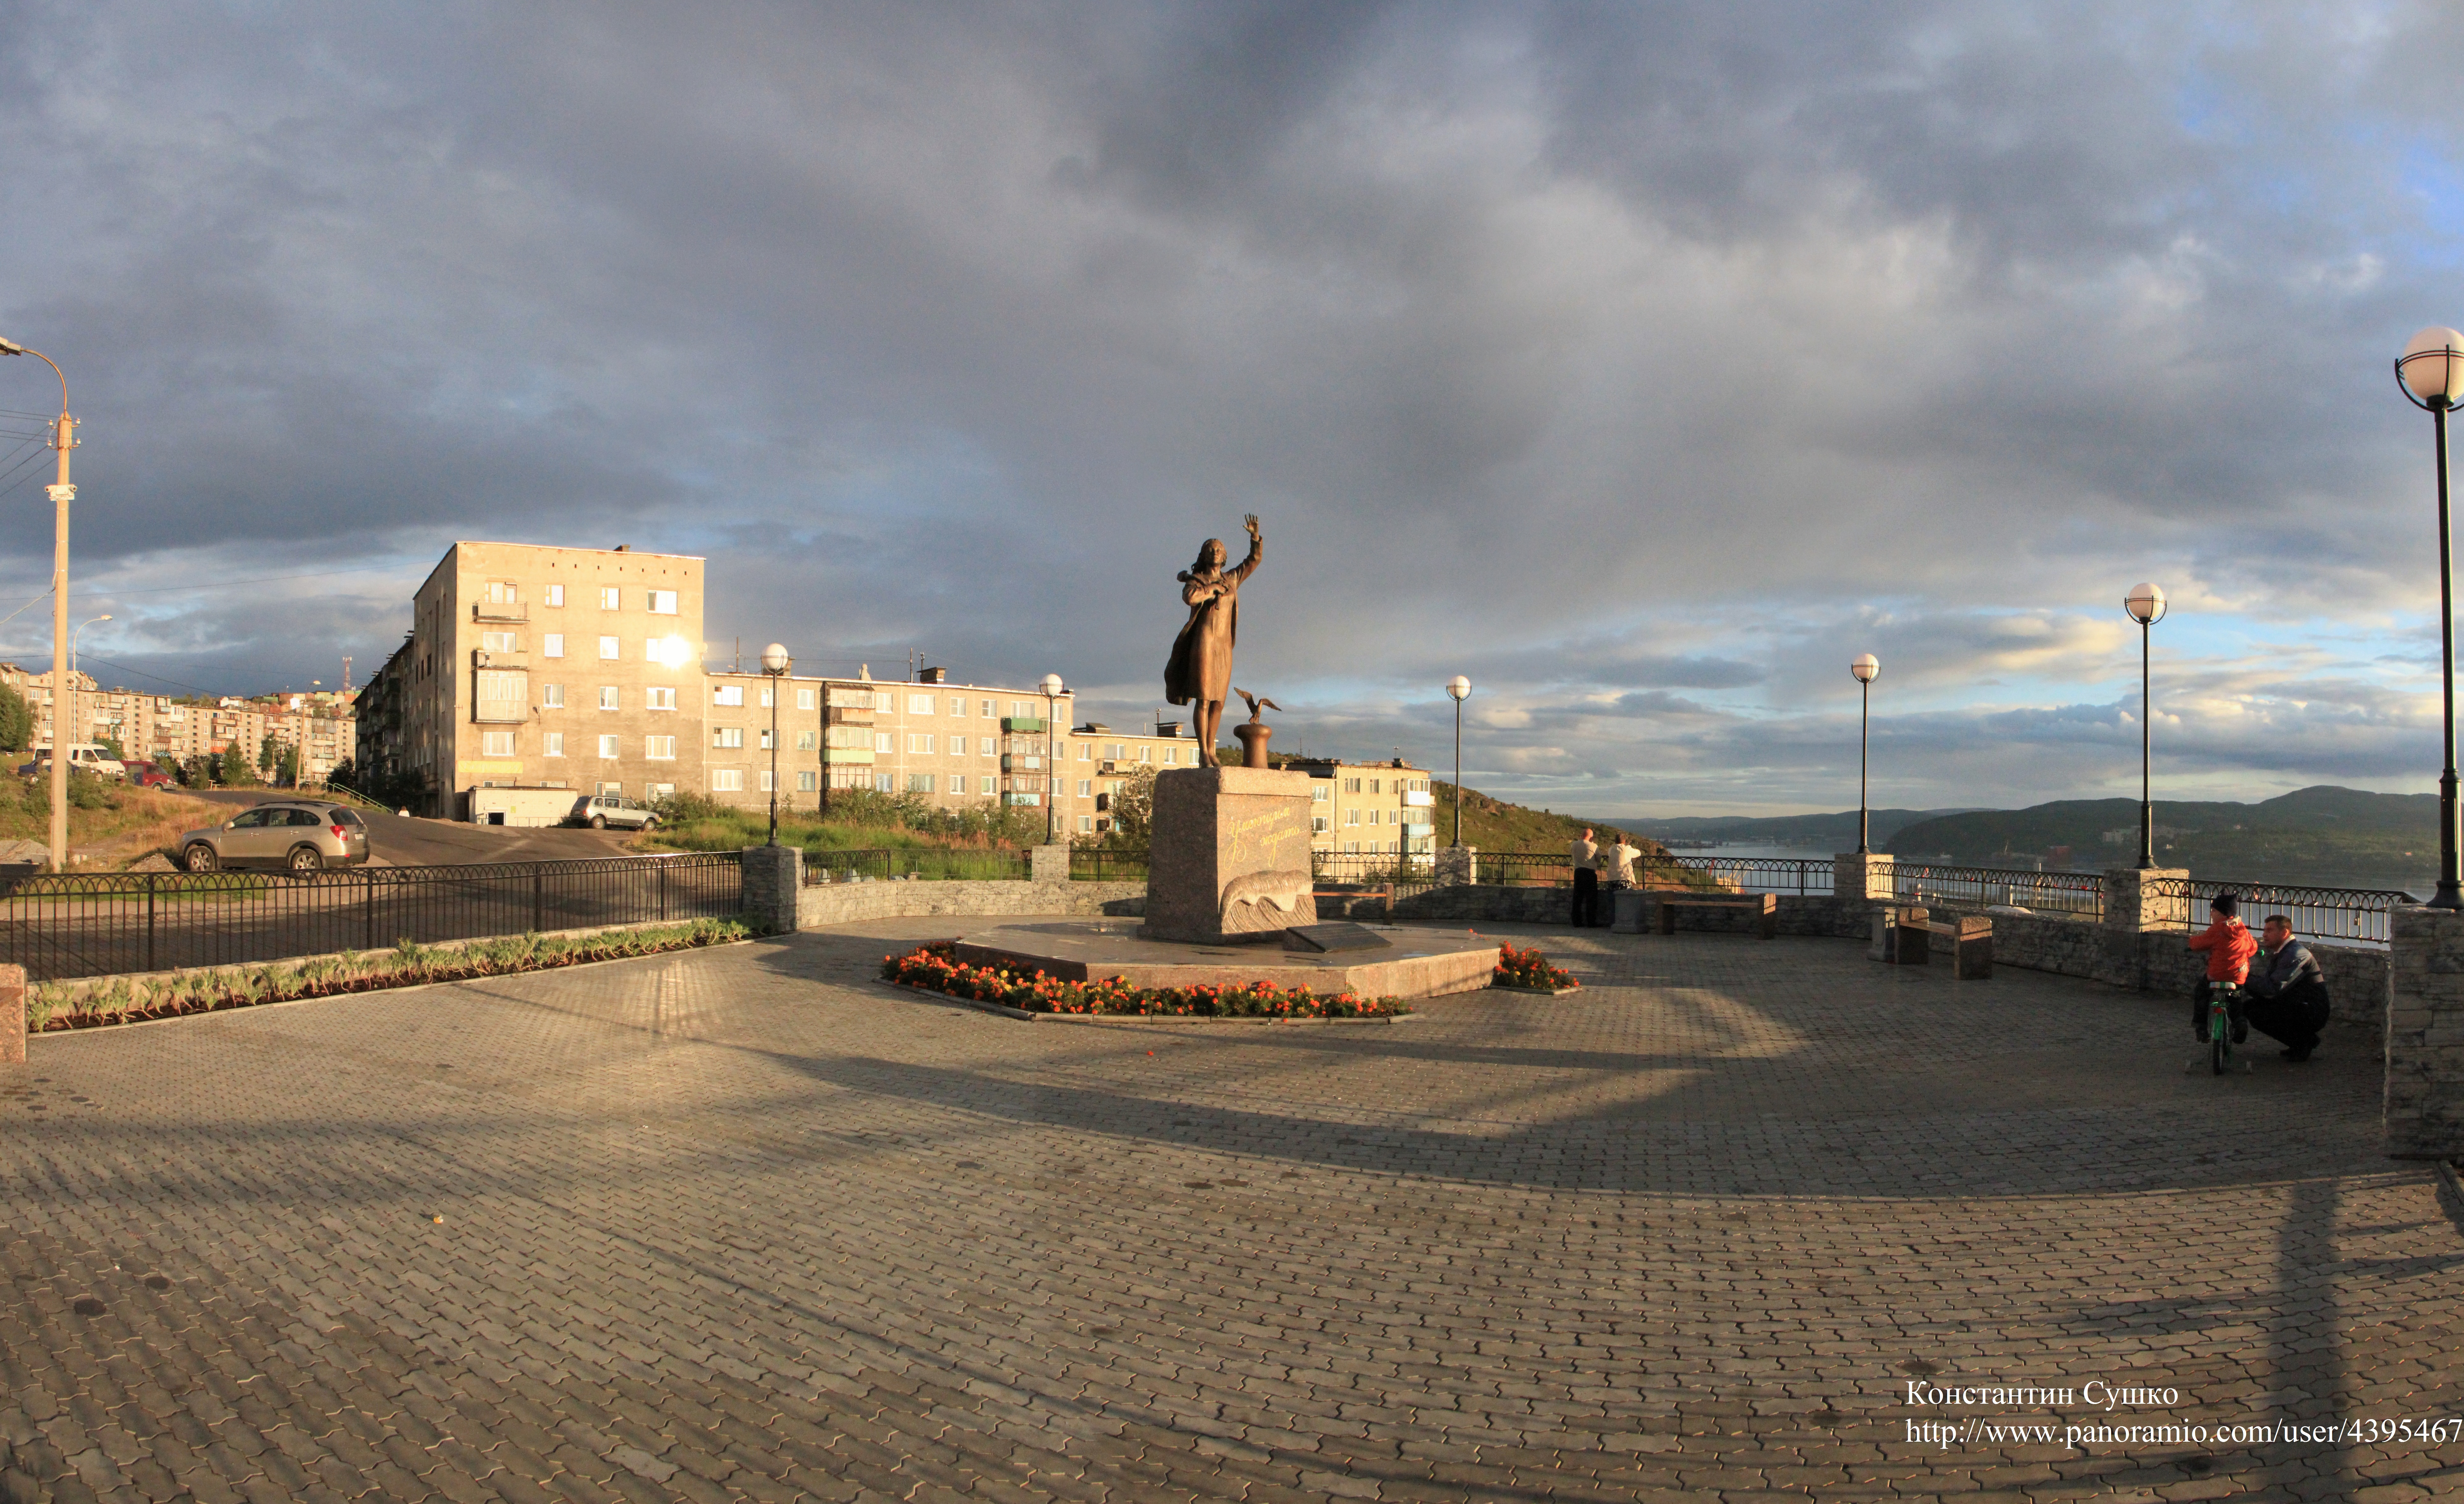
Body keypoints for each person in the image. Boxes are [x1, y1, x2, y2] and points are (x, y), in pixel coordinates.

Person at [1164, 514, 1263, 765]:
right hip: (1205, 641)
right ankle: (1203, 753)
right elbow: (1191, 599)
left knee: (1219, 701)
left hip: (1224, 645)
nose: (1216, 551)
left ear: (1225, 556)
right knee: (1204, 697)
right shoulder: (1197, 581)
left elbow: (1254, 561)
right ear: (1204, 555)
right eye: (1211, 549)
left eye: (1220, 549)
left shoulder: (1231, 579)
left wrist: (1254, 538)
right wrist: (1212, 590)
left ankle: (1213, 749)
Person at [2242, 914, 2331, 1062]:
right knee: (2251, 1007)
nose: (2264, 934)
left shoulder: (2295, 954)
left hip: (2313, 1011)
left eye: (2270, 930)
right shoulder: (2285, 952)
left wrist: (2244, 978)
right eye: (2265, 931)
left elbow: (2273, 988)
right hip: (2299, 1005)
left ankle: (2304, 1043)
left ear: (2285, 933)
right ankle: (2302, 1042)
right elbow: (2268, 985)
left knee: (2257, 1013)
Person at [2186, 892, 2258, 1043]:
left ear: (2222, 914)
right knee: (2235, 999)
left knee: (2202, 993)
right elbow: (2253, 948)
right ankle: (2240, 1024)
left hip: (2216, 975)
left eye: (2213, 911)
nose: (2211, 914)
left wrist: (2191, 944)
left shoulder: (2217, 929)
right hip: (2238, 976)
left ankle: (2201, 1028)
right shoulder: (2242, 930)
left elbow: (2199, 944)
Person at [1599, 832, 1639, 926]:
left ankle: (1613, 924)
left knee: (1613, 903)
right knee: (1626, 902)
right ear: (1624, 841)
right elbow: (1638, 853)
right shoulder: (1628, 849)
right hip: (1624, 879)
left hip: (1612, 879)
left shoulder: (1611, 849)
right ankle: (1625, 924)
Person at [1569, 828, 1599, 928]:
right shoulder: (1593, 846)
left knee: (1578, 898)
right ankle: (1591, 922)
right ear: (1591, 837)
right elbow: (1599, 859)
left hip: (1578, 873)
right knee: (1591, 899)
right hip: (1590, 874)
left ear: (1582, 835)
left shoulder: (1574, 845)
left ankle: (1577, 922)